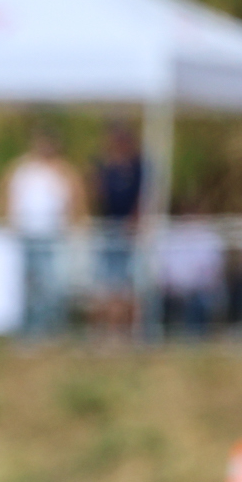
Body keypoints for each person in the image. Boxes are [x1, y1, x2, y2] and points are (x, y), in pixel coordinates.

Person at [0, 127, 85, 336]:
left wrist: (74, 225)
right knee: (26, 282)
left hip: (53, 235)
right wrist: (5, 222)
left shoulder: (63, 170)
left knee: (51, 282)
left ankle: (50, 326)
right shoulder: (21, 169)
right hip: (24, 235)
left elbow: (77, 200)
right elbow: (4, 195)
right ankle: (28, 326)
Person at [93, 123, 146, 332]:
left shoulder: (139, 168)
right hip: (108, 231)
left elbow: (144, 197)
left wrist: (135, 221)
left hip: (131, 233)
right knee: (108, 284)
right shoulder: (104, 167)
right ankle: (109, 328)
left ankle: (130, 329)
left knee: (129, 284)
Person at [158, 204, 226, 337]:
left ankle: (196, 335)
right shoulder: (170, 238)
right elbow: (163, 268)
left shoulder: (209, 239)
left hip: (200, 289)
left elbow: (213, 271)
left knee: (199, 300)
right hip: (172, 290)